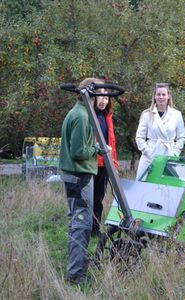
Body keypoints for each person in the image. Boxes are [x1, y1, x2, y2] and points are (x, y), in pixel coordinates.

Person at [59, 77, 104, 284]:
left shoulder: (79, 112)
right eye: (100, 93)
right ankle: (75, 274)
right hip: (79, 176)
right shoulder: (82, 116)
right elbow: (78, 152)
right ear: (91, 94)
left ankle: (77, 262)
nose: (103, 97)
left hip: (76, 175)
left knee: (77, 220)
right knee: (81, 223)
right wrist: (97, 149)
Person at [135, 83, 185, 178]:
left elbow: (181, 137)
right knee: (146, 187)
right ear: (154, 97)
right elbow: (139, 137)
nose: (161, 97)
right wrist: (148, 152)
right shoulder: (147, 114)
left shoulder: (176, 115)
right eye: (158, 94)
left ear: (168, 96)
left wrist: (175, 153)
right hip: (150, 155)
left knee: (167, 187)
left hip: (168, 155)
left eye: (163, 94)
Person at [91, 90, 118, 237]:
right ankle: (87, 228)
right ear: (94, 98)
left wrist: (114, 163)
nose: (104, 101)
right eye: (101, 97)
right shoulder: (90, 115)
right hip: (93, 162)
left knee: (99, 197)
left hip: (106, 163)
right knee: (91, 197)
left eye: (106, 98)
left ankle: (95, 229)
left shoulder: (107, 116)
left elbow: (111, 142)